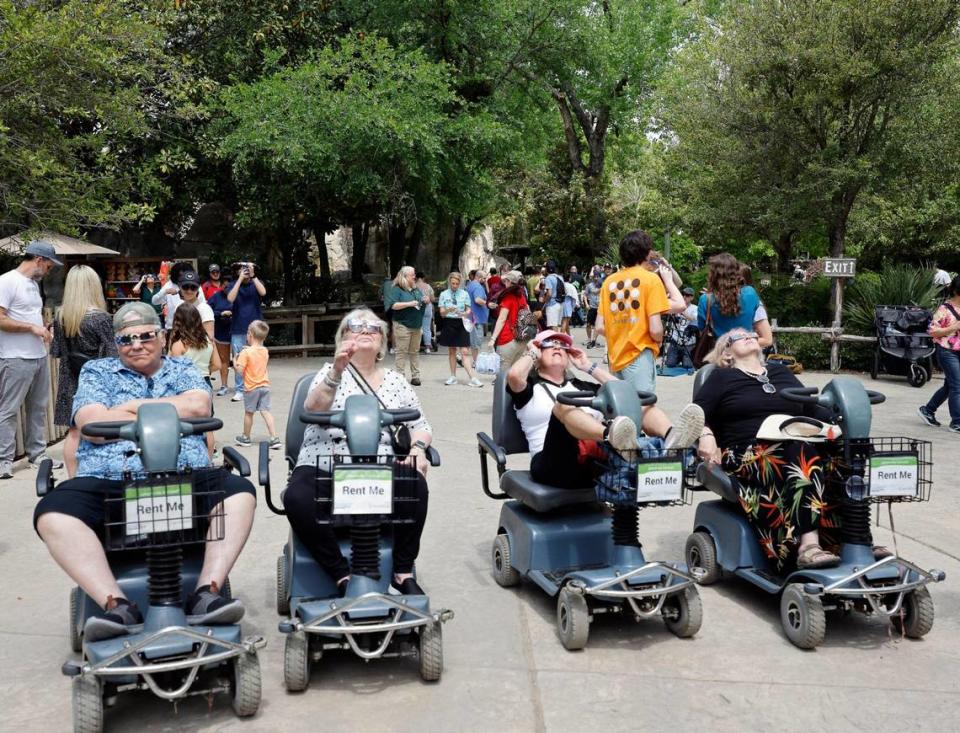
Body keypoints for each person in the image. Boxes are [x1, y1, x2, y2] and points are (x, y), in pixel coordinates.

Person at [33, 302, 255, 639]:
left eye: (145, 336)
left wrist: (128, 408)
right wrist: (168, 412)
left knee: (240, 493)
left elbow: (198, 407)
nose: (136, 344)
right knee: (52, 512)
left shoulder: (182, 369)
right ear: (116, 343)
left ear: (162, 337)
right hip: (111, 481)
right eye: (126, 339)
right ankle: (115, 604)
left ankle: (207, 591)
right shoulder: (97, 372)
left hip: (184, 475)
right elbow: (91, 422)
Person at [693, 328, 881, 570]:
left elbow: (811, 407)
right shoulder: (720, 377)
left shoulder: (779, 371)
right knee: (799, 453)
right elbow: (696, 414)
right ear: (726, 351)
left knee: (850, 451)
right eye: (739, 337)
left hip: (794, 442)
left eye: (751, 333)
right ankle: (808, 545)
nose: (749, 335)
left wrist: (843, 429)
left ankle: (856, 538)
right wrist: (706, 434)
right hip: (748, 451)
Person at [282, 308, 433, 596]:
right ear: (342, 337)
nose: (365, 330)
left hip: (380, 466)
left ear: (383, 342)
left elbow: (420, 424)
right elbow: (313, 408)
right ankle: (340, 574)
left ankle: (402, 572)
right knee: (297, 497)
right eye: (356, 325)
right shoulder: (329, 373)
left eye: (373, 327)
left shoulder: (396, 381)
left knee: (416, 485)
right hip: (325, 464)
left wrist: (418, 448)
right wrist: (337, 370)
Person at [506, 330, 703, 491]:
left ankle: (673, 440)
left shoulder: (582, 386)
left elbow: (625, 394)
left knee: (637, 403)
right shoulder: (531, 389)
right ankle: (613, 436)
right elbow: (514, 375)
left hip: (597, 460)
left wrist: (589, 367)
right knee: (564, 405)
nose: (557, 346)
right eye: (549, 343)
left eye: (562, 345)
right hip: (554, 464)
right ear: (538, 354)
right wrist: (531, 351)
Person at [0, 240, 63, 479]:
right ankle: (3, 460)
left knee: (38, 408)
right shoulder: (6, 282)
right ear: (38, 261)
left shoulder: (33, 285)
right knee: (8, 409)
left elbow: (29, 316)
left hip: (38, 355)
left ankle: (37, 455)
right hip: (15, 357)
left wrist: (43, 327)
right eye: (49, 266)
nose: (49, 270)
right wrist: (31, 328)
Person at [597, 230, 683, 396]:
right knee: (642, 408)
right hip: (639, 353)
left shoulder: (609, 282)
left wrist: (621, 333)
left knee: (622, 409)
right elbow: (656, 329)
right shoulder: (650, 280)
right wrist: (657, 340)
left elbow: (600, 327)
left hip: (615, 356)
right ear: (646, 252)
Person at [50, 265, 118, 477]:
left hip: (70, 378)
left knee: (73, 432)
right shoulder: (101, 319)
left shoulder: (61, 317)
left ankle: (73, 479)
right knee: (105, 429)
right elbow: (112, 356)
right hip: (98, 381)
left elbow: (57, 351)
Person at [169, 303, 221, 458]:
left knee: (184, 423)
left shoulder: (179, 345)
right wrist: (203, 370)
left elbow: (172, 370)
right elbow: (217, 365)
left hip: (185, 387)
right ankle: (209, 459)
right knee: (208, 424)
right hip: (205, 383)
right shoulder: (209, 341)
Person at [697, 253, 773, 348]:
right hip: (745, 354)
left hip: (720, 355)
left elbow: (702, 332)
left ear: (713, 275)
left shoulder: (705, 300)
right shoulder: (750, 293)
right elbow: (767, 339)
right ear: (736, 273)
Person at [918, 275, 960, 433]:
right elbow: (932, 331)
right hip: (947, 352)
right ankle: (957, 422)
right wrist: (953, 327)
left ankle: (928, 410)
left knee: (950, 386)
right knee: (957, 386)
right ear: (957, 291)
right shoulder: (945, 309)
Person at [234, 319, 280, 448]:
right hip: (264, 386)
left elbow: (239, 371)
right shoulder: (264, 351)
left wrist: (234, 361)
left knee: (249, 413)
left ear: (250, 335)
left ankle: (246, 437)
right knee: (266, 411)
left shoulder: (245, 353)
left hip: (251, 388)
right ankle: (274, 437)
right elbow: (255, 353)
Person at [225, 261, 265, 401]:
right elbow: (230, 298)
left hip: (256, 328)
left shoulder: (256, 282)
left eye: (247, 269)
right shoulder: (232, 285)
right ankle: (240, 389)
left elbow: (263, 292)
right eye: (242, 269)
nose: (245, 271)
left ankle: (257, 387)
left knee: (257, 358)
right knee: (238, 360)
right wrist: (240, 279)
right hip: (238, 327)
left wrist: (253, 277)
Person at [437, 271, 482, 387]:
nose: (455, 286)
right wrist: (448, 310)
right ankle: (453, 376)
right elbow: (441, 313)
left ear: (460, 283)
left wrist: (463, 313)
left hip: (461, 323)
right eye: (453, 283)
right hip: (449, 322)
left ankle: (472, 378)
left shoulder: (464, 294)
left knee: (464, 351)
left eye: (457, 283)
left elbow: (468, 310)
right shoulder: (443, 294)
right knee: (452, 351)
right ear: (449, 282)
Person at [385, 265, 425, 386]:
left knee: (415, 351)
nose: (415, 276)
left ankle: (415, 376)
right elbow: (393, 305)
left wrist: (425, 299)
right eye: (412, 274)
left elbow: (420, 301)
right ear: (405, 276)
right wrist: (409, 304)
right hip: (402, 325)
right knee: (401, 351)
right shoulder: (397, 289)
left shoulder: (415, 289)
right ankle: (400, 376)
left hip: (416, 325)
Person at [487, 270, 531, 369]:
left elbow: (502, 319)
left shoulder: (508, 298)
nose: (505, 283)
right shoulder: (522, 297)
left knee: (502, 375)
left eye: (506, 281)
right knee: (515, 373)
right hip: (522, 340)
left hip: (508, 339)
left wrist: (493, 339)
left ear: (509, 282)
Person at [207, 280, 234, 396]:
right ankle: (224, 385)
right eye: (225, 285)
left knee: (241, 360)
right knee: (223, 360)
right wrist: (220, 313)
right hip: (221, 332)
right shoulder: (215, 297)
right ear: (221, 285)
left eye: (229, 286)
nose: (227, 287)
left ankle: (243, 386)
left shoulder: (237, 294)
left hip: (236, 330)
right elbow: (208, 311)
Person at [664, 287, 699, 369]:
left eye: (687, 295)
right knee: (670, 364)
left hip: (688, 342)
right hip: (675, 340)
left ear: (692, 297)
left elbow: (693, 319)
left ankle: (683, 358)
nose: (684, 297)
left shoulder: (695, 308)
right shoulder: (675, 306)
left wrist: (681, 309)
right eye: (683, 294)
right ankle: (677, 357)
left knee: (687, 366)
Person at [177, 269, 215, 341]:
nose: (189, 291)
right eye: (185, 286)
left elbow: (210, 338)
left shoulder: (204, 309)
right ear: (179, 287)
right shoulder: (179, 307)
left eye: (193, 287)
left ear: (198, 289)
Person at [466, 269, 489, 364]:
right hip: (477, 318)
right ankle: (475, 362)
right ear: (479, 278)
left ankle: (464, 357)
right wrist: (487, 303)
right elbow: (477, 300)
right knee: (476, 341)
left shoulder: (470, 285)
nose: (485, 280)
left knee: (472, 340)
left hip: (471, 316)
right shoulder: (478, 287)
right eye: (484, 278)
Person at [415, 271, 436, 354]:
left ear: (416, 277)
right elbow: (433, 299)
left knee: (416, 328)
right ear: (423, 278)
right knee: (427, 328)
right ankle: (427, 347)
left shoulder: (414, 286)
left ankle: (416, 346)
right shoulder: (428, 286)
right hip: (427, 309)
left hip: (417, 309)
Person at [541, 261, 564, 331]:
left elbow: (549, 293)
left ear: (547, 269)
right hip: (560, 303)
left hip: (552, 304)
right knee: (557, 324)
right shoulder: (560, 277)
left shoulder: (548, 278)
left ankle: (555, 341)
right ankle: (558, 340)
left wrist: (544, 300)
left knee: (552, 326)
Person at [582, 269, 602, 348]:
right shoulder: (589, 285)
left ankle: (594, 340)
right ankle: (589, 339)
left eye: (597, 276)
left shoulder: (602, 285)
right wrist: (586, 304)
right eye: (595, 276)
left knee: (597, 325)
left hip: (599, 307)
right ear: (593, 277)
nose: (596, 278)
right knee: (588, 324)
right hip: (592, 307)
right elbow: (585, 295)